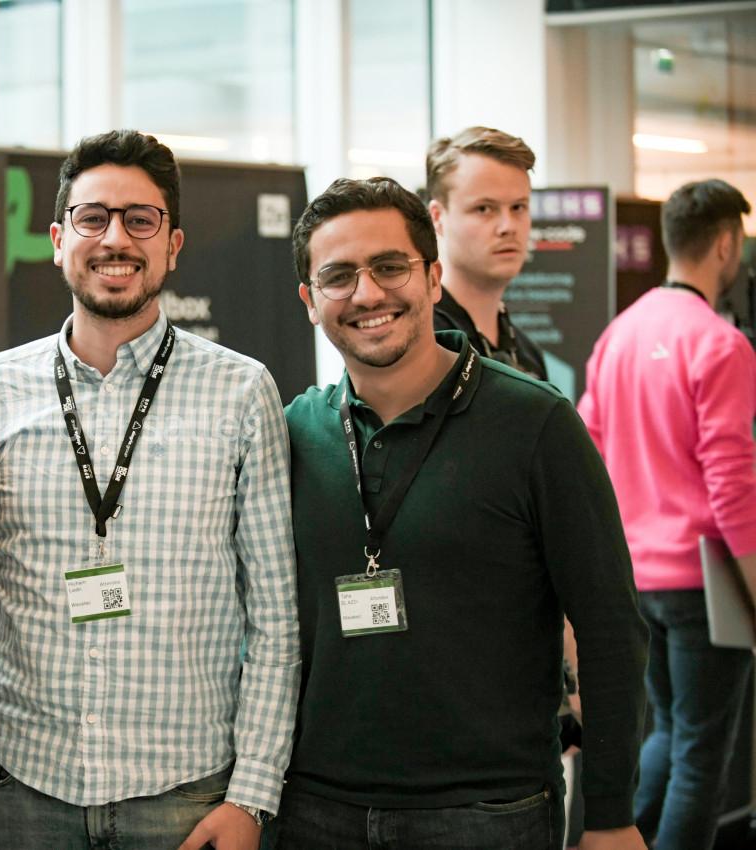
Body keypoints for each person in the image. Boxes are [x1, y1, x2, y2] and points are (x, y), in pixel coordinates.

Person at [0, 129, 299, 850]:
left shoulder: (240, 390)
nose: (115, 239)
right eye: (92, 217)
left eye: (141, 219)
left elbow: (277, 620)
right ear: (57, 237)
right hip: (28, 786)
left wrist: (251, 796)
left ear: (173, 244)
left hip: (187, 792)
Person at [278, 176, 647, 850]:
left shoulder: (536, 425)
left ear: (433, 276)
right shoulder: (293, 434)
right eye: (338, 276)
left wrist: (611, 816)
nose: (367, 293)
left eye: (391, 266)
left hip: (488, 813)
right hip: (313, 810)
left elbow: (610, 628)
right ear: (309, 300)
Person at [578, 179, 756, 850]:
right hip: (704, 579)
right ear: (725, 244)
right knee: (702, 755)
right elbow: (732, 484)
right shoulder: (721, 343)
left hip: (634, 576)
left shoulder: (619, 334)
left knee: (670, 733)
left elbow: (588, 452)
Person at [427, 126, 548, 379]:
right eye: (484, 209)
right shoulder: (423, 345)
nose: (508, 227)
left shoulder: (527, 354)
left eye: (518, 207)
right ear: (438, 218)